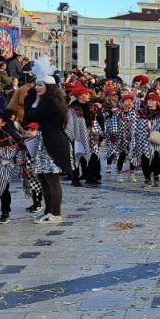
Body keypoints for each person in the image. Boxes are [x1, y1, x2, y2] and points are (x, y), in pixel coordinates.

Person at [22, 70, 71, 224]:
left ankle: (55, 213)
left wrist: (36, 100)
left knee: (51, 178)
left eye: (40, 85)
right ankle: (48, 211)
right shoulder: (51, 99)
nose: (37, 88)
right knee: (44, 177)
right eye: (36, 84)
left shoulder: (51, 101)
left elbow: (30, 117)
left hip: (53, 143)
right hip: (47, 140)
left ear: (49, 86)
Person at [65, 85, 102, 187]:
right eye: (86, 94)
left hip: (90, 134)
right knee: (77, 155)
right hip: (77, 135)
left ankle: (91, 177)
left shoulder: (91, 106)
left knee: (93, 156)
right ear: (79, 96)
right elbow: (70, 123)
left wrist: (92, 130)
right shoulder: (72, 108)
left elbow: (94, 120)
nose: (88, 95)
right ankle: (75, 179)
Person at [132, 92, 160, 188]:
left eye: (153, 100)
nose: (150, 102)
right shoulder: (141, 112)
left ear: (157, 102)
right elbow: (135, 124)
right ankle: (147, 179)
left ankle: (156, 176)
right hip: (144, 139)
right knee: (145, 159)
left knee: (156, 158)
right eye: (149, 99)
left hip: (157, 139)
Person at [106, 93, 139, 183]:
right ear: (122, 102)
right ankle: (119, 173)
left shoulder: (135, 113)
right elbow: (113, 123)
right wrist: (114, 134)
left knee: (133, 155)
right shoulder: (118, 112)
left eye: (131, 101)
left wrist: (133, 134)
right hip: (120, 137)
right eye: (127, 101)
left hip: (132, 137)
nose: (129, 103)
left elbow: (137, 125)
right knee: (122, 155)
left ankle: (132, 174)